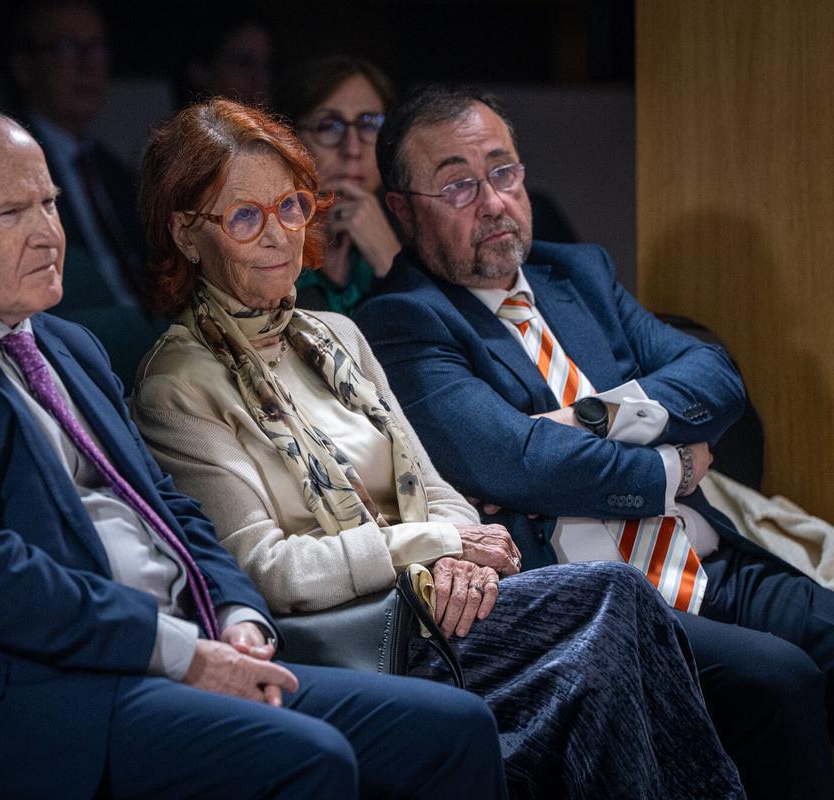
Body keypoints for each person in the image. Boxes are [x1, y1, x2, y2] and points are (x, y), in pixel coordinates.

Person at [0, 105, 511, 799]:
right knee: (311, 757)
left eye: (49, 203)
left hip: (165, 657)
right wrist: (179, 651)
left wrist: (236, 617)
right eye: (10, 213)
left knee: (454, 729)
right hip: (31, 702)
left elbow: (170, 509)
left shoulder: (66, 346)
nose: (47, 232)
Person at [129, 98, 742, 799]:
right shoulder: (177, 385)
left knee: (610, 642)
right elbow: (266, 569)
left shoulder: (336, 335)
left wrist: (457, 556)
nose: (279, 235)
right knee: (614, 603)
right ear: (187, 233)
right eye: (245, 217)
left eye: (291, 206)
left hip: (435, 606)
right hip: (355, 642)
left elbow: (434, 486)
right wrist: (433, 544)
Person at [354, 83, 834, 798]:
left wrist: (588, 419)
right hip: (607, 605)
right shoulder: (401, 321)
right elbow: (515, 462)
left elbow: (716, 377)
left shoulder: (578, 274)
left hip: (704, 560)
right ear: (401, 209)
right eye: (457, 185)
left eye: (503, 171)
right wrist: (673, 465)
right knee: (779, 679)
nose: (493, 202)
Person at [6, 0, 147, 313]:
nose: (88, 65)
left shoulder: (116, 173)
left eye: (96, 48)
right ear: (25, 67)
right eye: (66, 47)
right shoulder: (7, 167)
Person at [277, 56, 401, 314]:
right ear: (290, 139)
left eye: (369, 124)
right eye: (328, 127)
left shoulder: (411, 236)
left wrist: (392, 263)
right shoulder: (261, 248)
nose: (352, 149)